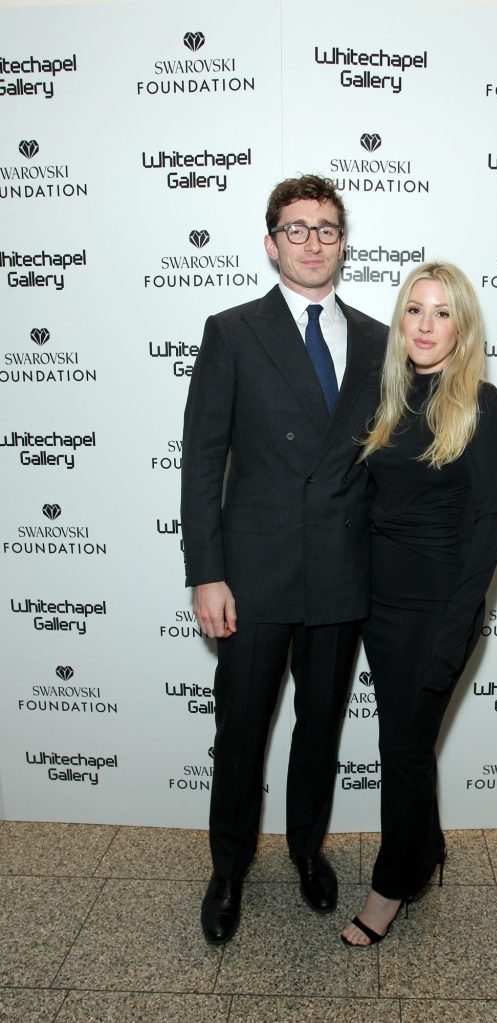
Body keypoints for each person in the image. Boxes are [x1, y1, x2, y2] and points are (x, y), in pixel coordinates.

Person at [181, 174, 387, 944]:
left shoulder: (377, 339)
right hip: (254, 575)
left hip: (341, 572)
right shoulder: (232, 331)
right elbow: (202, 462)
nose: (311, 241)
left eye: (326, 228)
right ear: (271, 244)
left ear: (342, 241)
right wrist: (207, 570)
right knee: (241, 732)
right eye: (295, 229)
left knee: (321, 727)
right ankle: (228, 867)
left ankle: (306, 850)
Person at [341, 261, 497, 947]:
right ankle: (428, 845)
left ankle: (391, 885)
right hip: (379, 610)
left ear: (462, 326)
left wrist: (455, 631)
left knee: (402, 748)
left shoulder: (484, 407)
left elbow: (488, 527)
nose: (425, 324)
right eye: (414, 309)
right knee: (407, 748)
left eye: (442, 312)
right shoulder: (386, 400)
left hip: (438, 610)